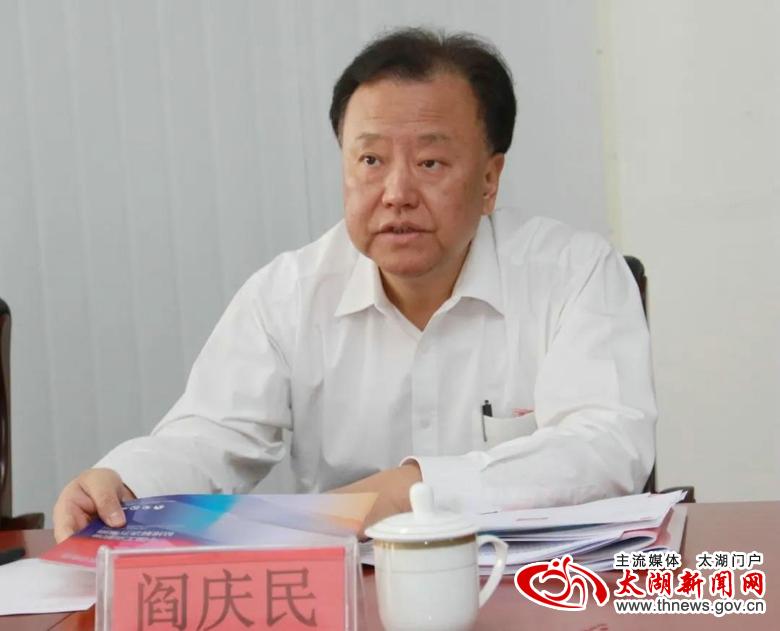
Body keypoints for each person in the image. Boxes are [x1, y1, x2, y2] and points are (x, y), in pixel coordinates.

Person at [53, 28, 656, 543]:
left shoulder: (575, 272)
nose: (397, 193)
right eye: (370, 161)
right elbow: (212, 435)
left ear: (489, 180)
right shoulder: (288, 294)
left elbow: (606, 445)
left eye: (430, 163)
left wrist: (410, 491)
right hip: (348, 591)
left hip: (534, 589)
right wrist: (125, 482)